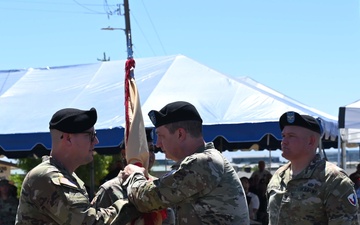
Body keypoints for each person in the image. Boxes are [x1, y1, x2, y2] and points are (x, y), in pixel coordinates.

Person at [122, 101, 250, 225]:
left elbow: (147, 199)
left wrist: (135, 175)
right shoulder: (205, 161)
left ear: (180, 134)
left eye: (161, 136)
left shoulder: (204, 163)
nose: (157, 144)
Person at [15, 107, 133, 225]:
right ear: (68, 138)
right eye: (90, 135)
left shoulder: (69, 178)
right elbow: (90, 222)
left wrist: (120, 182)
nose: (96, 141)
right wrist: (133, 202)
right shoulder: (47, 177)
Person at [267, 111, 359, 225]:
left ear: (311, 141)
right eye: (283, 136)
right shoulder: (278, 176)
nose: (284, 142)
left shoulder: (334, 180)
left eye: (291, 136)